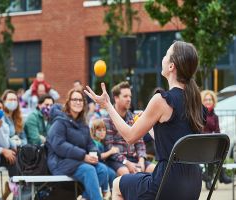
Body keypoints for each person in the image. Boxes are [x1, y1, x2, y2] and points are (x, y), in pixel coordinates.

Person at [85, 41, 204, 200]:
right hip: (193, 184)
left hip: (166, 183)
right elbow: (175, 142)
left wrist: (107, 105)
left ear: (171, 66)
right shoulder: (196, 103)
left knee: (117, 184)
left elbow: (129, 136)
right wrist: (150, 127)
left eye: (166, 55)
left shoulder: (162, 100)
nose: (163, 58)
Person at [46, 89, 109, 200]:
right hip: (60, 162)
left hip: (78, 161)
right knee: (88, 170)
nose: (78, 102)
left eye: (80, 100)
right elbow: (59, 145)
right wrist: (83, 156)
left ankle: (83, 198)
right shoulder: (59, 122)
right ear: (68, 102)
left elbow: (90, 144)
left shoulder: (83, 124)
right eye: (74, 99)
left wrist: (94, 154)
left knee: (103, 170)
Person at [103, 81, 155, 176]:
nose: (129, 99)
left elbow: (140, 143)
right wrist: (127, 163)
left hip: (135, 158)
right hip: (117, 160)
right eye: (125, 96)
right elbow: (109, 147)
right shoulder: (107, 119)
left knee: (154, 169)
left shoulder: (133, 117)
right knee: (126, 173)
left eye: (130, 96)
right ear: (116, 98)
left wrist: (141, 160)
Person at [201, 90, 231, 189]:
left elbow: (217, 131)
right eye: (206, 99)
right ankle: (218, 176)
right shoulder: (200, 114)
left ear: (213, 101)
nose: (208, 101)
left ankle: (209, 178)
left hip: (211, 143)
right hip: (201, 142)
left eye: (210, 99)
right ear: (202, 101)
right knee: (213, 152)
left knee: (218, 150)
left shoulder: (215, 116)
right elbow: (200, 130)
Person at [90, 118, 117, 193]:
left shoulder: (101, 142)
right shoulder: (94, 143)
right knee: (110, 173)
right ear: (93, 131)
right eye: (99, 130)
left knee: (112, 173)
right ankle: (105, 193)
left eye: (104, 130)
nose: (102, 132)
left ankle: (112, 193)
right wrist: (111, 151)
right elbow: (99, 156)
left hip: (102, 164)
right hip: (97, 165)